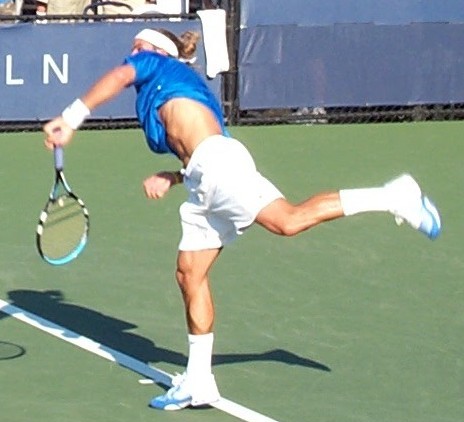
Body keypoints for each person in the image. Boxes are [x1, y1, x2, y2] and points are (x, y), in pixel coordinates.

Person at [43, 27, 442, 411]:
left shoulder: (157, 65)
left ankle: (394, 196)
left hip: (218, 167)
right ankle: (199, 381)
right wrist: (176, 175)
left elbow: (120, 76)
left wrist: (72, 116)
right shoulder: (171, 89)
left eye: (138, 45)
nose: (131, 52)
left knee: (288, 220)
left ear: (157, 51)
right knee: (189, 273)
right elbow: (199, 143)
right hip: (206, 174)